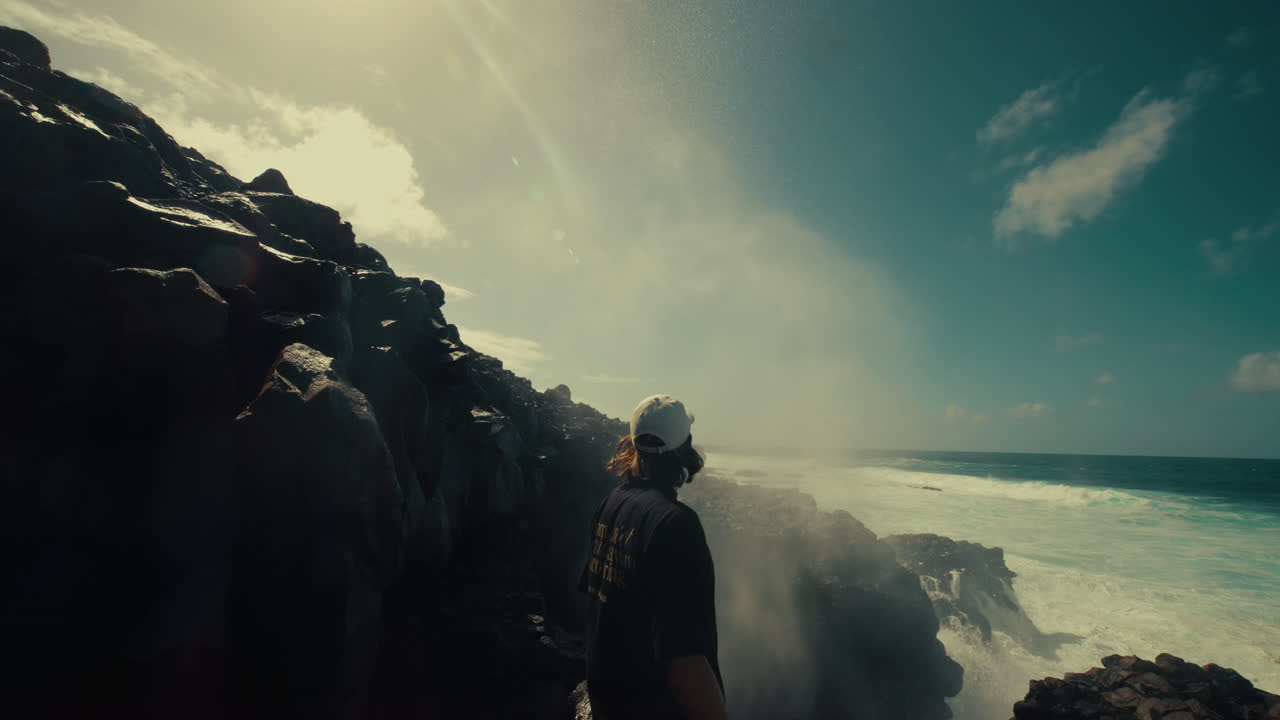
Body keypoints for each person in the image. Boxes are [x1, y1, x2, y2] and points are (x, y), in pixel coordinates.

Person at [578, 394, 728, 720]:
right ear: (684, 447)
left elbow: (595, 605)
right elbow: (683, 660)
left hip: (608, 702)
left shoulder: (612, 503)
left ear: (632, 445)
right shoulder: (677, 525)